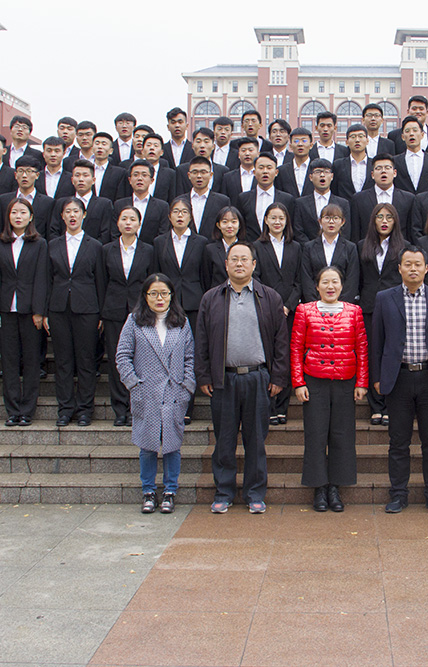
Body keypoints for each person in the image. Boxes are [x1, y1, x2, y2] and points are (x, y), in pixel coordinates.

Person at [196, 242, 289, 514]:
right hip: (223, 380)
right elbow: (202, 340)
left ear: (253, 264)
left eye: (244, 259)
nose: (239, 264)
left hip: (258, 378)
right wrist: (204, 375)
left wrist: (278, 377)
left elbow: (281, 341)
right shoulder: (211, 298)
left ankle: (255, 493)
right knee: (224, 441)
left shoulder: (269, 297)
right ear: (226, 264)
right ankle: (223, 492)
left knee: (256, 440)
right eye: (234, 259)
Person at [370, 245, 428, 515]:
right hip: (399, 378)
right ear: (399, 268)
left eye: (418, 264)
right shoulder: (385, 298)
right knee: (398, 442)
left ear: (426, 268)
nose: (413, 269)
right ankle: (398, 494)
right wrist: (377, 377)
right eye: (408, 264)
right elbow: (377, 341)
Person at [116, 274, 196, 514]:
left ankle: (170, 490)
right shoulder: (134, 322)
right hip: (146, 392)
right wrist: (134, 384)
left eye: (164, 293)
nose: (159, 298)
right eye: (154, 293)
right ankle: (148, 491)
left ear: (172, 295)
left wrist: (187, 386)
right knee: (147, 445)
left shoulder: (181, 322)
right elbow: (122, 355)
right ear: (145, 296)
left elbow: (190, 357)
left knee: (172, 444)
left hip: (174, 392)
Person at [291, 265, 369, 512]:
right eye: (325, 282)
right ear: (317, 286)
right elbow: (296, 348)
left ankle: (335, 487)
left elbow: (362, 348)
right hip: (314, 380)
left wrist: (362, 382)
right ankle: (319, 487)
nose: (330, 286)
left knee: (342, 435)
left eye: (335, 281)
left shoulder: (354, 311)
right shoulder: (304, 310)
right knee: (315, 434)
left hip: (345, 381)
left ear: (342, 285)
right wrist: (298, 382)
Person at [45, 198, 106, 427]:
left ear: (84, 214)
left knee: (86, 361)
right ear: (62, 216)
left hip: (87, 309)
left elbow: (100, 280)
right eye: (68, 211)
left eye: (76, 211)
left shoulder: (95, 245)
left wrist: (101, 313)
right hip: (59, 308)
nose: (72, 215)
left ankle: (84, 410)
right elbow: (47, 279)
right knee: (63, 361)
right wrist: (44, 311)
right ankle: (65, 409)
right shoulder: (53, 245)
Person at [0, 198, 48, 427]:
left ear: (31, 217)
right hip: (5, 310)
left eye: (23, 212)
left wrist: (39, 311)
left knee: (32, 361)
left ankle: (27, 410)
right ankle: (13, 410)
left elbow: (41, 279)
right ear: (8, 216)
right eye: (14, 212)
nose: (18, 216)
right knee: (9, 361)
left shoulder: (39, 244)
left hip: (30, 311)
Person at [152, 197, 210, 424]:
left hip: (194, 304)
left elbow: (205, 275)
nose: (179, 216)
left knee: (189, 355)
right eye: (175, 212)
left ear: (190, 216)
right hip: (167, 304)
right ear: (169, 216)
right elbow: (156, 275)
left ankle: (187, 405)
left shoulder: (201, 242)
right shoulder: (159, 242)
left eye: (184, 212)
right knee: (166, 354)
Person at [102, 206, 154, 426]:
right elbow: (101, 281)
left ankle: (137, 407)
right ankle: (120, 409)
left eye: (133, 219)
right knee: (118, 358)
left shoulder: (148, 250)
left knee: (141, 359)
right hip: (113, 309)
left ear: (139, 224)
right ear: (118, 223)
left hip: (140, 310)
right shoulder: (106, 250)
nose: (128, 223)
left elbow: (152, 281)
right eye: (124, 218)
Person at [253, 203, 302, 425]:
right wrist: (273, 305)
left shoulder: (296, 247)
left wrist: (288, 305)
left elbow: (300, 280)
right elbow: (256, 278)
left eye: (281, 218)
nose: (277, 222)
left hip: (290, 312)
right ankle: (269, 406)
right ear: (265, 220)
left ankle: (282, 406)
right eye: (272, 218)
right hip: (265, 309)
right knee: (268, 355)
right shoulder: (257, 246)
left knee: (287, 355)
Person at [358, 203, 405, 425]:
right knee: (372, 353)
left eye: (389, 217)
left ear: (395, 221)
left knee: (392, 352)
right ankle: (376, 406)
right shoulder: (362, 245)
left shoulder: (404, 247)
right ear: (373, 221)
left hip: (395, 305)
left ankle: (390, 404)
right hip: (369, 306)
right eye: (379, 217)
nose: (384, 221)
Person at [300, 203, 359, 303]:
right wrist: (316, 304)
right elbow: (306, 279)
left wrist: (339, 305)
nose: (331, 222)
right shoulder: (309, 247)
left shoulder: (350, 248)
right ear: (320, 221)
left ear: (342, 222)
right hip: (315, 305)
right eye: (327, 218)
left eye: (336, 218)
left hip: (342, 306)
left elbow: (352, 279)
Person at [205, 206, 244, 287]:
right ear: (218, 225)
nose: (229, 226)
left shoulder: (247, 248)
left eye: (233, 222)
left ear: (239, 225)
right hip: (218, 293)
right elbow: (206, 279)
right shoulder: (210, 250)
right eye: (225, 222)